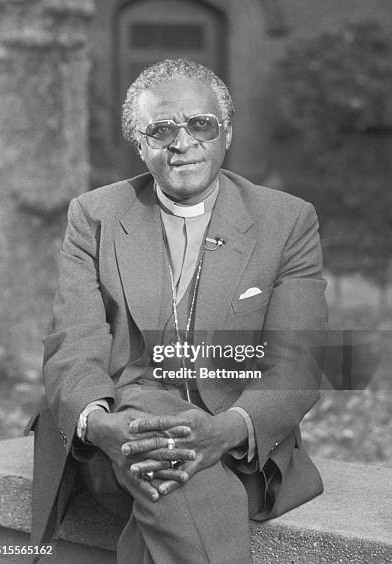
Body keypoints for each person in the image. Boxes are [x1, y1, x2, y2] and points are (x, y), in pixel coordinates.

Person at [28, 58, 328, 564]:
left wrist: (226, 429)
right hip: (115, 440)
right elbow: (72, 346)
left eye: (200, 125)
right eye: (161, 129)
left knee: (169, 477)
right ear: (141, 145)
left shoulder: (287, 220)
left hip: (238, 442)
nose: (182, 142)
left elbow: (299, 362)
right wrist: (101, 425)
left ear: (225, 133)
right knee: (152, 419)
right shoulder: (94, 216)